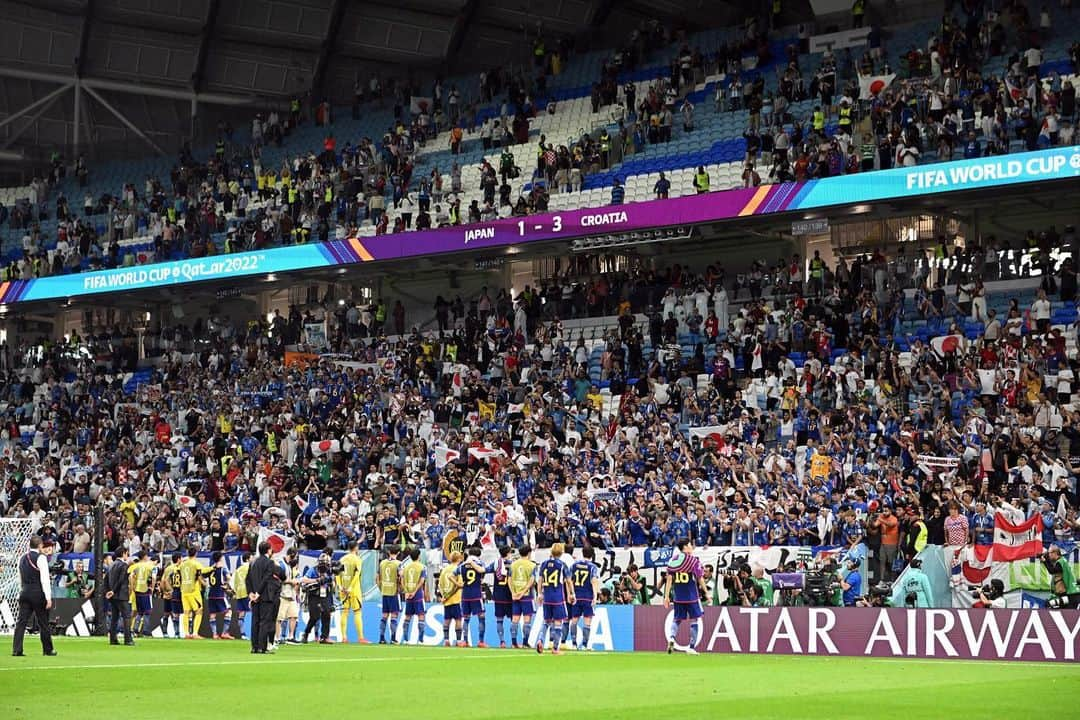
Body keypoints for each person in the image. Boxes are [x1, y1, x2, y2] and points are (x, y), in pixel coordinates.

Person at [11, 536, 56, 657]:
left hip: (25, 591)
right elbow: (45, 579)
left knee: (21, 622)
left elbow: (19, 576)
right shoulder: (41, 558)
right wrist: (48, 597)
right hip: (37, 592)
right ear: (40, 546)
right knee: (43, 622)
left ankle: (17, 649)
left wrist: (22, 590)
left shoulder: (22, 558)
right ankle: (48, 649)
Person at [663, 539, 706, 655]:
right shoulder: (693, 561)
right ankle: (691, 647)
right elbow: (700, 577)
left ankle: (671, 638)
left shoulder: (673, 560)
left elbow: (669, 579)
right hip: (691, 596)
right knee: (695, 619)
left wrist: (666, 596)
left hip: (678, 596)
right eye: (690, 545)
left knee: (677, 619)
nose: (692, 547)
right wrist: (706, 592)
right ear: (685, 547)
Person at [247, 541, 285, 654]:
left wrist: (251, 593)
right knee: (264, 622)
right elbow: (266, 578)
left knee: (255, 621)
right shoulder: (269, 563)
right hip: (265, 595)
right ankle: (262, 647)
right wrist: (258, 592)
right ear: (269, 550)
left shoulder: (253, 562)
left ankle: (254, 647)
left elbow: (247, 579)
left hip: (254, 596)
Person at [535, 542, 574, 654]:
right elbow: (569, 581)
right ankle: (555, 648)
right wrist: (572, 594)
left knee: (546, 622)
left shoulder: (544, 564)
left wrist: (539, 594)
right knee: (558, 623)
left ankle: (540, 640)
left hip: (546, 597)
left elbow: (540, 581)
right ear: (562, 552)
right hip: (558, 598)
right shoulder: (562, 565)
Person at [569, 546, 600, 650]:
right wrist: (595, 596)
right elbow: (594, 581)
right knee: (587, 622)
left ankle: (573, 644)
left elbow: (569, 581)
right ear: (592, 555)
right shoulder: (592, 567)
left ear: (582, 553)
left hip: (576, 596)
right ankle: (584, 645)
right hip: (587, 597)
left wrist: (571, 593)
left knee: (574, 620)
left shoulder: (574, 565)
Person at [336, 541, 367, 644]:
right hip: (353, 590)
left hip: (343, 590)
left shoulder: (342, 559)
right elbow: (357, 575)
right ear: (356, 548)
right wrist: (350, 587)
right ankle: (361, 638)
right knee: (357, 612)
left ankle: (344, 637)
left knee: (344, 612)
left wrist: (340, 586)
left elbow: (337, 574)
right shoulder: (357, 560)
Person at [457, 546, 488, 648]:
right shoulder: (480, 563)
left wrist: (458, 584)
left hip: (465, 594)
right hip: (476, 594)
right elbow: (482, 571)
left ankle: (465, 641)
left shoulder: (462, 565)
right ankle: (481, 641)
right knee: (481, 617)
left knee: (466, 619)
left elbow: (451, 575)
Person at [301, 553, 336, 644]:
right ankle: (306, 633)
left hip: (325, 594)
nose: (325, 565)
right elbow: (304, 580)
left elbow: (332, 583)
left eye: (327, 563)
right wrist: (316, 580)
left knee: (327, 614)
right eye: (323, 563)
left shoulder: (330, 571)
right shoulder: (313, 570)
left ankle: (324, 637)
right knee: (315, 616)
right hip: (314, 594)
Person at [178, 547, 211, 638]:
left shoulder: (182, 564)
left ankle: (186, 633)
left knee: (186, 612)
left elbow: (177, 573)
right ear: (196, 554)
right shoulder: (196, 563)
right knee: (199, 611)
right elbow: (203, 571)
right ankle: (195, 633)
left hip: (184, 590)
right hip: (193, 591)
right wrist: (213, 567)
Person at [105, 546, 134, 646]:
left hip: (113, 596)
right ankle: (128, 639)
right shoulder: (124, 565)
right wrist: (113, 591)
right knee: (126, 616)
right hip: (121, 594)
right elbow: (121, 580)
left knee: (114, 617)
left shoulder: (111, 565)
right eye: (127, 553)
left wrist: (108, 591)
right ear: (123, 553)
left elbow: (106, 580)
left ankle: (113, 639)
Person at [509, 543, 537, 649]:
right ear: (529, 553)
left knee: (515, 619)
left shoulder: (513, 564)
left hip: (515, 595)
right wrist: (523, 591)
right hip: (526, 596)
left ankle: (513, 642)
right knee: (527, 620)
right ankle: (525, 642)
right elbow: (532, 581)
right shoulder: (532, 565)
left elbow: (509, 579)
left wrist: (513, 592)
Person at [399, 547, 428, 645]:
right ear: (419, 556)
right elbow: (422, 581)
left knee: (407, 616)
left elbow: (402, 580)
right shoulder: (422, 567)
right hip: (418, 594)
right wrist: (415, 591)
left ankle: (406, 639)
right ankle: (420, 640)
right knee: (421, 616)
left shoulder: (406, 567)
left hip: (408, 594)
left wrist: (406, 591)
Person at [277, 548, 302, 644]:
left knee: (294, 616)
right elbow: (278, 579)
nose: (296, 558)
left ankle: (290, 637)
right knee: (279, 618)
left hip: (291, 594)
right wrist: (291, 581)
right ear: (291, 554)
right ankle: (277, 637)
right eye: (295, 556)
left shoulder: (290, 565)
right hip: (283, 594)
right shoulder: (281, 564)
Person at [206, 551, 233, 639]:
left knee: (212, 614)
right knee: (228, 611)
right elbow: (229, 578)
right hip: (220, 593)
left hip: (211, 593)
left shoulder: (211, 568)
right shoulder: (223, 568)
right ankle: (224, 632)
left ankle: (214, 634)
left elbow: (202, 576)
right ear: (221, 558)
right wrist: (226, 585)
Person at [439, 551, 464, 647]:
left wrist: (443, 596)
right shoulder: (458, 569)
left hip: (446, 599)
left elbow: (440, 585)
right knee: (458, 619)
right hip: (455, 598)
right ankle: (458, 641)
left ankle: (446, 640)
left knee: (447, 620)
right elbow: (459, 585)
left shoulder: (444, 570)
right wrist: (449, 595)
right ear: (459, 559)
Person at [490, 546, 513, 648]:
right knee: (514, 620)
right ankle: (514, 642)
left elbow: (483, 570)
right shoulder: (513, 564)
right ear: (508, 553)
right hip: (510, 595)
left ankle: (502, 641)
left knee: (499, 620)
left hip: (498, 595)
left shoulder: (496, 564)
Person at [378, 547, 401, 644]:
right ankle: (393, 638)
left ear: (389, 552)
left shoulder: (382, 563)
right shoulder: (398, 564)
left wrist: (381, 588)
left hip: (385, 592)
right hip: (393, 592)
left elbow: (377, 578)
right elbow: (401, 577)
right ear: (398, 553)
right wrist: (401, 588)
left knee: (384, 616)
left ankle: (382, 638)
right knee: (394, 616)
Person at [129, 550, 156, 637]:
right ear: (144, 556)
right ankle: (146, 631)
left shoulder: (135, 566)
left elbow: (131, 576)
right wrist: (152, 587)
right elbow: (154, 577)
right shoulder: (150, 566)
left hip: (137, 590)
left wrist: (132, 586)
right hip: (145, 590)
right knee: (147, 612)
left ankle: (135, 630)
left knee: (140, 612)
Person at [160, 552, 183, 639]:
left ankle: (165, 633)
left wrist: (165, 592)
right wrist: (172, 591)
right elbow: (166, 581)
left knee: (166, 613)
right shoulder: (179, 568)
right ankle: (177, 633)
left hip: (167, 595)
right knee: (175, 614)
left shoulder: (167, 568)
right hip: (175, 593)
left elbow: (162, 581)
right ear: (178, 559)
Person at [232, 552, 252, 640]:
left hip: (239, 593)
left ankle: (243, 633)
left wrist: (236, 592)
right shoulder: (250, 567)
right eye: (252, 557)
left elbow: (233, 583)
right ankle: (250, 632)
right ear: (248, 559)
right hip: (247, 592)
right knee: (251, 613)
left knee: (241, 614)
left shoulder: (238, 569)